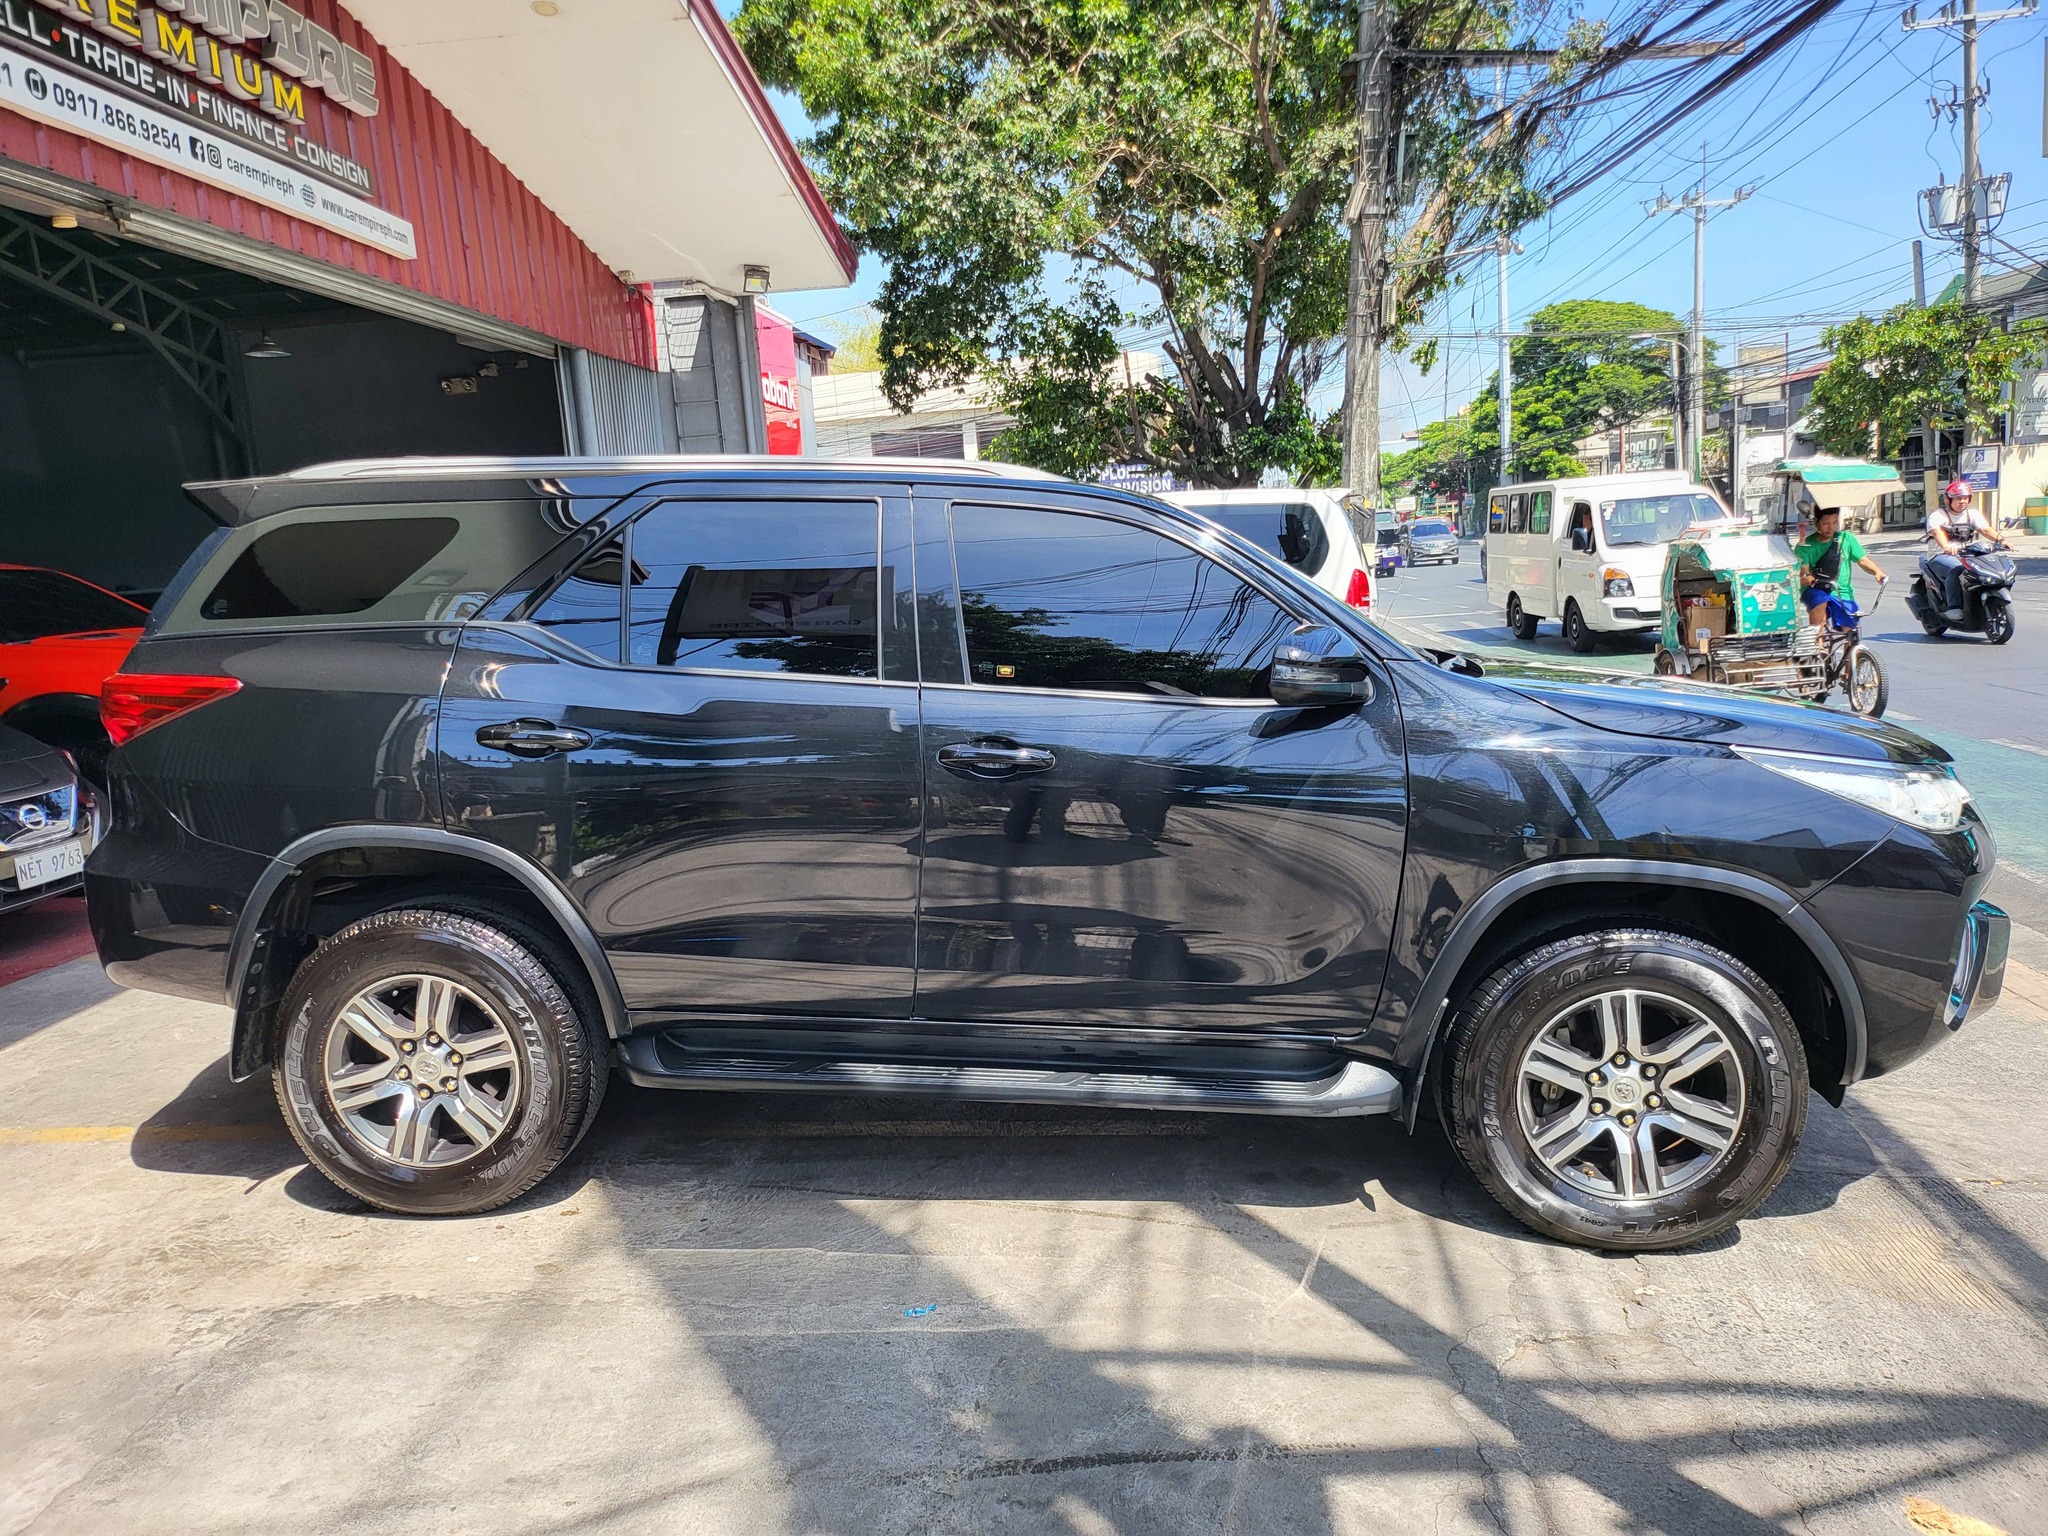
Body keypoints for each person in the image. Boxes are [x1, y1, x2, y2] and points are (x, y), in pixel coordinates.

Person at [1795, 506, 1886, 627]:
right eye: (1826, 523)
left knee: (1849, 626)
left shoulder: (1847, 539)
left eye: (1834, 522)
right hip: (1816, 589)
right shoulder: (1804, 546)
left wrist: (1877, 572)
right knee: (1820, 601)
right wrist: (1807, 577)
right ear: (1816, 522)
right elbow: (1804, 571)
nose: (1831, 527)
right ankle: (1817, 638)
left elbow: (1862, 560)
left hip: (1842, 592)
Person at [1925, 479, 2001, 612]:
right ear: (1948, 500)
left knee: (1986, 568)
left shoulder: (1972, 514)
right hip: (1940, 555)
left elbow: (1985, 530)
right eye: (1958, 498)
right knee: (1958, 570)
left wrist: (2003, 540)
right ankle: (1954, 607)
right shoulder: (1938, 515)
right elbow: (1937, 532)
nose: (1962, 501)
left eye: (1965, 498)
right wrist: (1946, 547)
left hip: (1966, 554)